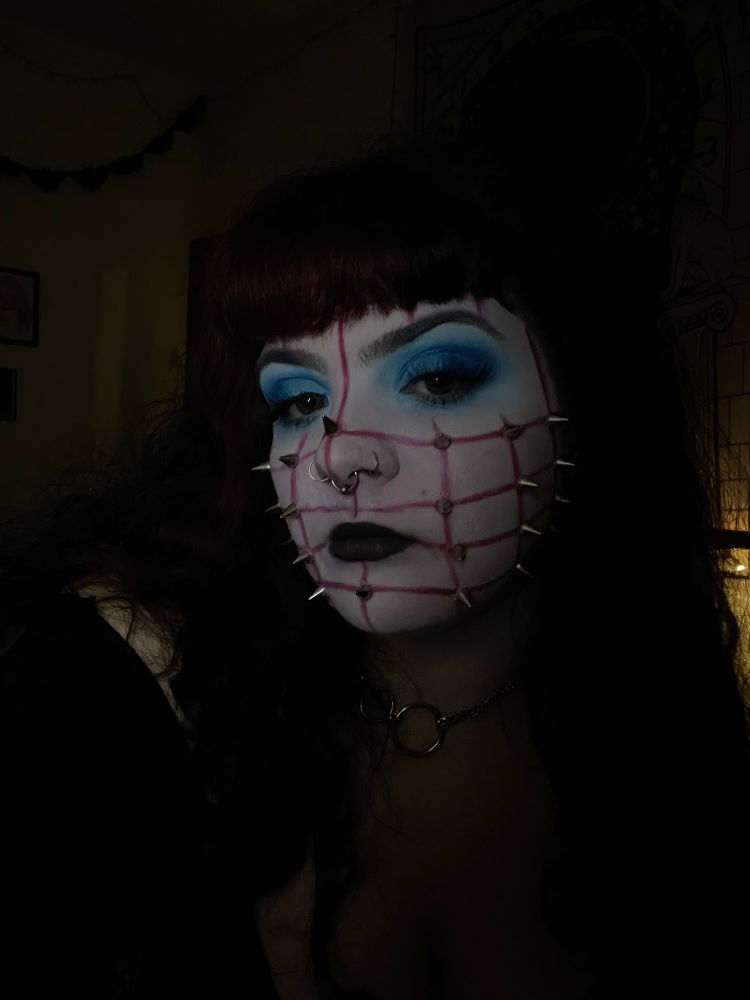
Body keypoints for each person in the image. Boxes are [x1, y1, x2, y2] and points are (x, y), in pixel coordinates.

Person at [1, 142, 748, 1000]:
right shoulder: (160, 681)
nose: (338, 455)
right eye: (300, 401)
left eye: (435, 376)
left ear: (586, 409)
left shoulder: (666, 754)